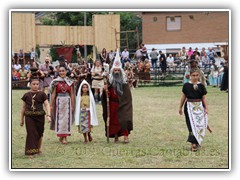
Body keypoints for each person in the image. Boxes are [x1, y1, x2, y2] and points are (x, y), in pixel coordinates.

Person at [101, 49, 133, 143]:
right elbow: (107, 95)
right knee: (114, 121)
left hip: (123, 105)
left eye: (118, 70)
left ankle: (125, 136)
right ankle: (115, 136)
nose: (116, 71)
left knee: (124, 120)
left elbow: (127, 97)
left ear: (121, 71)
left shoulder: (124, 84)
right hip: (112, 105)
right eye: (115, 70)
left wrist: (125, 104)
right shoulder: (110, 82)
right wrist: (105, 91)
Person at [20, 77, 51, 159]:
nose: (36, 86)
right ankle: (31, 152)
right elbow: (23, 108)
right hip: (29, 117)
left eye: (37, 84)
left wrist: (49, 115)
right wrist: (21, 119)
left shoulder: (42, 94)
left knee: (39, 133)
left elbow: (47, 104)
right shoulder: (26, 95)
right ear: (30, 85)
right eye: (33, 84)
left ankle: (38, 148)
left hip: (40, 117)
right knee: (31, 133)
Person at [179, 68, 209, 152]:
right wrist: (180, 107)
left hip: (199, 107)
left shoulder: (201, 86)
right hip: (189, 107)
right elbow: (183, 97)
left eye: (196, 75)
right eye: (193, 75)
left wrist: (206, 108)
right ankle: (193, 143)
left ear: (199, 75)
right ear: (190, 76)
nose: (195, 77)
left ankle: (197, 141)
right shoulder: (186, 85)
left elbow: (204, 98)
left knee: (199, 124)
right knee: (191, 125)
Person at [50, 65, 75, 144]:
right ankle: (61, 135)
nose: (61, 72)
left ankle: (65, 137)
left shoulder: (69, 82)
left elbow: (72, 94)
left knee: (66, 119)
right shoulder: (55, 82)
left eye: (63, 71)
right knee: (60, 119)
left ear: (66, 72)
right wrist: (51, 105)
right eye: (60, 71)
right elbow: (53, 94)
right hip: (59, 102)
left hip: (67, 101)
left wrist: (73, 105)